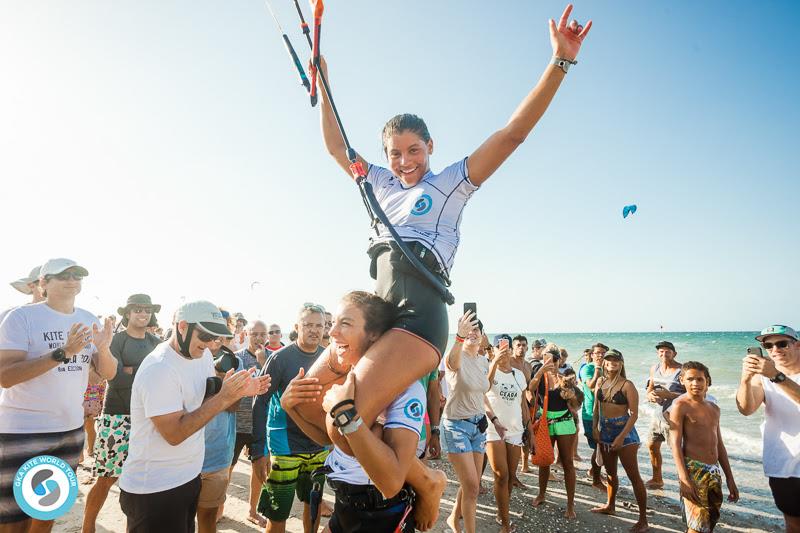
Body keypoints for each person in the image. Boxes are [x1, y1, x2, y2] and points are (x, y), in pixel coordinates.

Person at [303, 6, 593, 480]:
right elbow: (337, 148)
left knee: (343, 418)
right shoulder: (376, 183)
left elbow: (512, 134)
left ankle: (420, 479)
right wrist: (325, 82)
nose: (404, 161)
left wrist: (559, 62)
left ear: (431, 147)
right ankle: (396, 463)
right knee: (312, 412)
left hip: (418, 316)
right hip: (378, 315)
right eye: (395, 153)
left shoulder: (450, 185)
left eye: (414, 150)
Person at [118, 300, 268, 533]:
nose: (210, 343)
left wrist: (238, 391)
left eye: (216, 337)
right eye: (206, 335)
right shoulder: (159, 368)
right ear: (182, 326)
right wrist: (223, 397)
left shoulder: (203, 356)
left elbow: (202, 405)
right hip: (154, 489)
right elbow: (175, 434)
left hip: (188, 478)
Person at [281, 291, 425, 532]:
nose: (332, 332)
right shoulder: (346, 380)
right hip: (344, 506)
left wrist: (346, 414)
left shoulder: (406, 390)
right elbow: (328, 439)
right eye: (333, 324)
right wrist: (290, 408)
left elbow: (391, 482)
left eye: (344, 324)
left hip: (382, 515)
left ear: (375, 334)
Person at [0, 258, 116, 531]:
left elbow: (107, 374)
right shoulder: (20, 317)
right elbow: (5, 376)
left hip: (69, 433)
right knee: (14, 522)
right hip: (22, 432)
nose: (72, 279)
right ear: (43, 283)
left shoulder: (88, 319)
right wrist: (63, 352)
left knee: (45, 515)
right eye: (63, 275)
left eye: (77, 274)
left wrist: (106, 350)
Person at [82, 294, 162, 533]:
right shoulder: (116, 340)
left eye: (146, 309)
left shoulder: (156, 343)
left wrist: (130, 370)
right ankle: (87, 527)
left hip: (148, 417)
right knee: (106, 478)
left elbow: (160, 377)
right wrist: (137, 373)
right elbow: (114, 378)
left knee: (141, 479)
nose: (143, 313)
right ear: (127, 313)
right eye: (137, 309)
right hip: (117, 417)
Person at [253, 304, 330, 533]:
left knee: (313, 504)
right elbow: (261, 401)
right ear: (297, 327)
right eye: (308, 325)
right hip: (284, 445)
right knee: (278, 513)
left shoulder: (328, 358)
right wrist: (258, 451)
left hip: (318, 445)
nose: (314, 330)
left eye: (319, 325)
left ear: (326, 327)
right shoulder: (279, 359)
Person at [736, 325, 800, 533]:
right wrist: (745, 380)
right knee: (793, 524)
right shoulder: (762, 377)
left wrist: (777, 376)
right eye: (768, 345)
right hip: (782, 463)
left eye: (782, 344)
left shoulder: (772, 375)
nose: (775, 350)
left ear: (797, 345)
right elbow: (746, 409)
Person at [441, 312, 500, 533]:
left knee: (471, 483)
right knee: (473, 487)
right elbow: (453, 362)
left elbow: (481, 394)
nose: (473, 333)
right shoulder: (455, 355)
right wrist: (459, 336)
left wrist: (493, 418)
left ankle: (454, 519)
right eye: (469, 329)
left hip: (479, 426)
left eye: (477, 329)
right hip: (456, 426)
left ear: (483, 335)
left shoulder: (483, 361)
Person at [669, 361, 738, 533]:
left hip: (714, 471)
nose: (695, 384)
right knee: (696, 524)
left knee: (709, 522)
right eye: (690, 379)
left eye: (700, 379)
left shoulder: (714, 408)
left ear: (707, 381)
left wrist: (730, 478)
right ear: (682, 380)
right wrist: (684, 479)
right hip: (693, 470)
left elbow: (719, 445)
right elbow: (675, 445)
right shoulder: (680, 406)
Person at [591, 349, 649, 533]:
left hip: (625, 433)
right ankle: (610, 505)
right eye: (609, 360)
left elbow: (634, 414)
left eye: (616, 360)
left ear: (621, 363)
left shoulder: (627, 385)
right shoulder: (601, 381)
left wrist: (621, 436)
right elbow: (596, 409)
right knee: (610, 473)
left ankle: (643, 520)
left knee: (634, 476)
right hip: (605, 431)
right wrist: (595, 428)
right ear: (605, 363)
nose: (612, 362)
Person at [528, 344, 581, 519]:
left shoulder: (566, 377)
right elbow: (530, 388)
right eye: (545, 358)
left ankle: (570, 504)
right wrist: (542, 369)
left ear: (560, 360)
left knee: (567, 462)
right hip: (545, 422)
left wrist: (571, 393)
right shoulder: (540, 374)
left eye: (553, 359)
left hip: (565, 422)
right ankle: (542, 494)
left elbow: (577, 403)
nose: (550, 362)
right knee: (544, 460)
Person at [196, 334, 239, 533]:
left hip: (218, 455)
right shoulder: (185, 360)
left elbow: (234, 406)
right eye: (211, 336)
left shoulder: (230, 361)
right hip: (185, 455)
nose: (216, 342)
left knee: (207, 517)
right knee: (182, 517)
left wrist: (223, 384)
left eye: (221, 337)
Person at [485, 335, 529, 533]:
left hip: (516, 430)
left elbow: (523, 404)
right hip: (493, 429)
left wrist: (530, 431)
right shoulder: (488, 369)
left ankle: (502, 511)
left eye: (506, 347)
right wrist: (494, 361)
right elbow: (483, 388)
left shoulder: (519, 375)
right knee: (501, 476)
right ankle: (505, 522)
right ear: (493, 349)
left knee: (510, 477)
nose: (504, 350)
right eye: (499, 347)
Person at [233, 320, 269, 527]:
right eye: (254, 334)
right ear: (246, 334)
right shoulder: (237, 359)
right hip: (237, 424)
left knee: (259, 470)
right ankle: (219, 507)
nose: (258, 338)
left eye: (262, 334)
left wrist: (264, 362)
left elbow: (274, 389)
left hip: (260, 426)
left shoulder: (273, 359)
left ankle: (252, 511)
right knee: (228, 468)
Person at [645, 340, 684, 490]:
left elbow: (691, 394)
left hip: (674, 418)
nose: (664, 354)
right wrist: (650, 396)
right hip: (657, 416)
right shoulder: (654, 368)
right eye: (661, 351)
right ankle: (657, 479)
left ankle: (684, 483)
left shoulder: (681, 370)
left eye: (668, 351)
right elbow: (650, 389)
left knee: (677, 452)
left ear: (674, 353)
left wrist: (669, 395)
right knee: (652, 446)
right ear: (657, 353)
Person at [579, 342, 607, 490]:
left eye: (603, 353)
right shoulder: (587, 368)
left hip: (606, 413)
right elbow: (590, 385)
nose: (600, 355)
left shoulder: (608, 368)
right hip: (591, 413)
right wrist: (597, 368)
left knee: (602, 446)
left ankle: (594, 471)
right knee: (598, 447)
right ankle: (596, 480)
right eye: (597, 353)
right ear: (591, 355)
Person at [510, 335, 532, 482]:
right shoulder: (508, 363)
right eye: (518, 345)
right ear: (512, 347)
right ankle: (511, 475)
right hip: (509, 406)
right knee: (511, 441)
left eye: (524, 345)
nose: (521, 348)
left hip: (524, 405)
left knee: (525, 438)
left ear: (527, 348)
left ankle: (522, 468)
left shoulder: (528, 366)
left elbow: (528, 388)